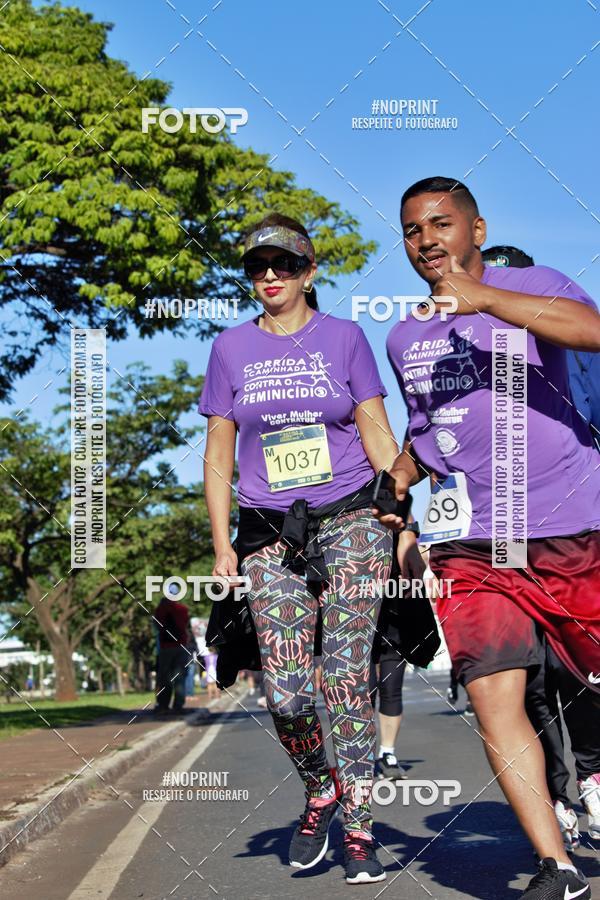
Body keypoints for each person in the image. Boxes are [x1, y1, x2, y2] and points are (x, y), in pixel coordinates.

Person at [381, 176, 600, 899]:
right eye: (413, 230)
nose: (427, 240)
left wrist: (489, 301)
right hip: (474, 543)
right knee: (493, 694)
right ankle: (555, 866)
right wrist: (405, 470)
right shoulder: (404, 334)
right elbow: (427, 426)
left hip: (571, 525)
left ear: (477, 229)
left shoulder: (533, 283)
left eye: (441, 224)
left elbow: (591, 331)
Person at [200, 212, 401, 884]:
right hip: (267, 534)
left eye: (283, 265)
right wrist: (221, 545)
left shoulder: (344, 338)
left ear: (309, 272)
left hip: (351, 520)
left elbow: (375, 428)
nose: (269, 277)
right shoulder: (230, 349)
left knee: (346, 680)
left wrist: (404, 519)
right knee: (286, 695)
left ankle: (360, 831)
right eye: (258, 267)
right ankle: (321, 787)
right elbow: (219, 450)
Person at [482, 245, 600, 849]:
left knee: (580, 660)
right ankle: (563, 790)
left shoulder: (562, 329)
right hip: (501, 527)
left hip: (581, 513)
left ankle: (591, 771)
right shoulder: (469, 342)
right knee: (529, 673)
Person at [153, 584, 191, 715]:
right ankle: (178, 705)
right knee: (180, 677)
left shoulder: (160, 609)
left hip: (165, 647)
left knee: (165, 677)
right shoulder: (183, 609)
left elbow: (157, 626)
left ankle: (163, 705)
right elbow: (185, 625)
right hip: (181, 646)